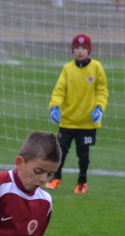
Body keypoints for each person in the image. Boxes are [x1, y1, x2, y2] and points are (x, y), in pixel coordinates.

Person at [46, 34, 109, 194]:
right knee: (60, 152)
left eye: (83, 48)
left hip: (87, 122)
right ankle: (56, 178)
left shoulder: (96, 67)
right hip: (67, 121)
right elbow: (59, 90)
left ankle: (82, 182)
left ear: (88, 50)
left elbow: (102, 90)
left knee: (83, 154)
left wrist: (99, 108)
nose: (80, 51)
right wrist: (54, 107)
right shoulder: (67, 69)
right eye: (77, 48)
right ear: (73, 50)